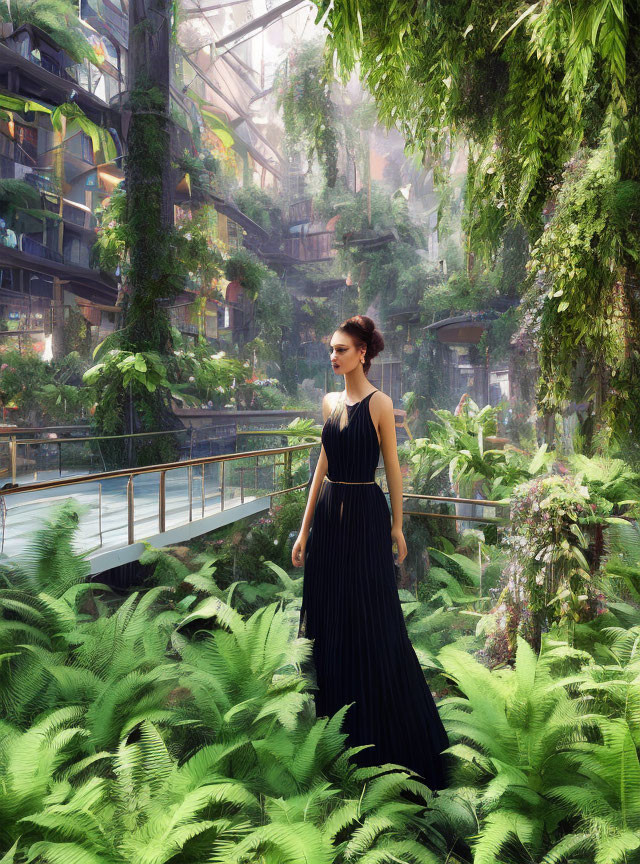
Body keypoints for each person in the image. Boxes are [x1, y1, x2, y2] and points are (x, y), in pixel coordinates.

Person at [292, 314, 449, 792]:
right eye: (332, 350)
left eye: (341, 349)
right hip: (329, 520)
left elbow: (393, 466)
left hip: (364, 514)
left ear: (363, 352)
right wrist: (303, 530)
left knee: (373, 618)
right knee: (330, 617)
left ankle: (381, 734)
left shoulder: (381, 404)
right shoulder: (328, 402)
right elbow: (322, 464)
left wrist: (398, 526)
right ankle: (334, 731)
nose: (333, 357)